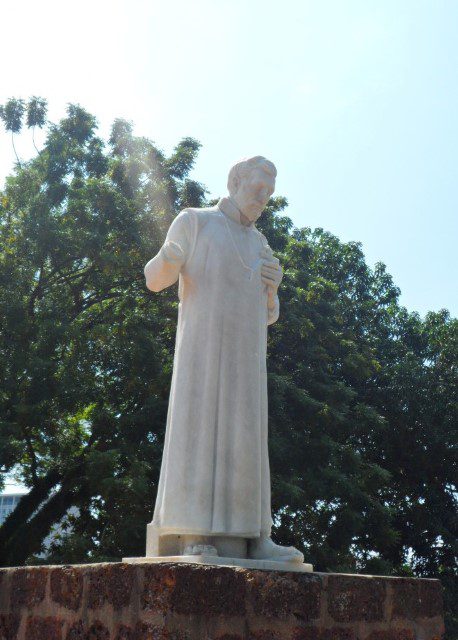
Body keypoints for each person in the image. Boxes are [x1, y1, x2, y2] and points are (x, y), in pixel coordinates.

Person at [144, 156, 303, 563]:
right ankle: (194, 531)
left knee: (248, 439)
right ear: (235, 181)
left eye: (269, 194)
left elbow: (269, 315)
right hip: (203, 350)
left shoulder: (260, 242)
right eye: (257, 189)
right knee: (200, 428)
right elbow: (155, 279)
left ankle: (256, 537)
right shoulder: (195, 221)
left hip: (247, 358)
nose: (263, 199)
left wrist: (273, 293)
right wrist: (169, 258)